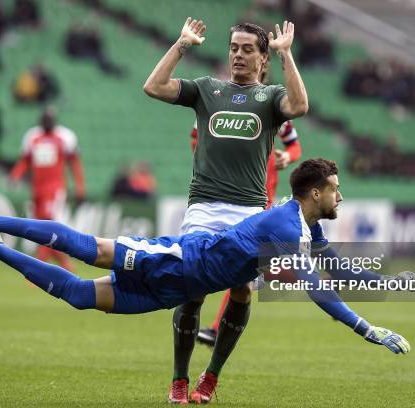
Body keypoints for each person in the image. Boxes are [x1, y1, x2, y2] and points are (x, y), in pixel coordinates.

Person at [0, 159, 414, 403]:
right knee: (87, 247)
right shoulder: (288, 228)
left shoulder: (305, 224)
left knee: (79, 295)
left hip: (177, 289)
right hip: (179, 261)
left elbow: (334, 265)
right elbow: (316, 287)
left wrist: (383, 281)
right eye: (336, 189)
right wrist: (366, 330)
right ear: (316, 193)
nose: (341, 195)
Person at [143, 18, 309, 403]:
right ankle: (179, 379)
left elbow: (300, 106)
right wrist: (182, 43)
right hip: (203, 207)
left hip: (250, 211)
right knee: (192, 291)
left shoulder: (270, 98)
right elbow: (153, 86)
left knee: (242, 293)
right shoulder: (206, 89)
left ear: (262, 56)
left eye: (248, 48)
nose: (238, 54)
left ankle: (211, 377)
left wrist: (287, 55)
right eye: (234, 47)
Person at [191, 117, 301, 346]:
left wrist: (288, 156)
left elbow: (293, 145)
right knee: (211, 258)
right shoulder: (216, 104)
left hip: (259, 199)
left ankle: (216, 328)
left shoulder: (274, 108)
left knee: (241, 266)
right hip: (219, 196)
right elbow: (195, 139)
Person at [9, 107, 86, 272]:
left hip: (55, 189)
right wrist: (15, 175)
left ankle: (37, 267)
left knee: (48, 225)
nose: (47, 122)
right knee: (41, 228)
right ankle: (66, 265)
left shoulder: (64, 137)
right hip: (37, 189)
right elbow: (25, 160)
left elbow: (75, 164)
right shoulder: (32, 137)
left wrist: (80, 187)